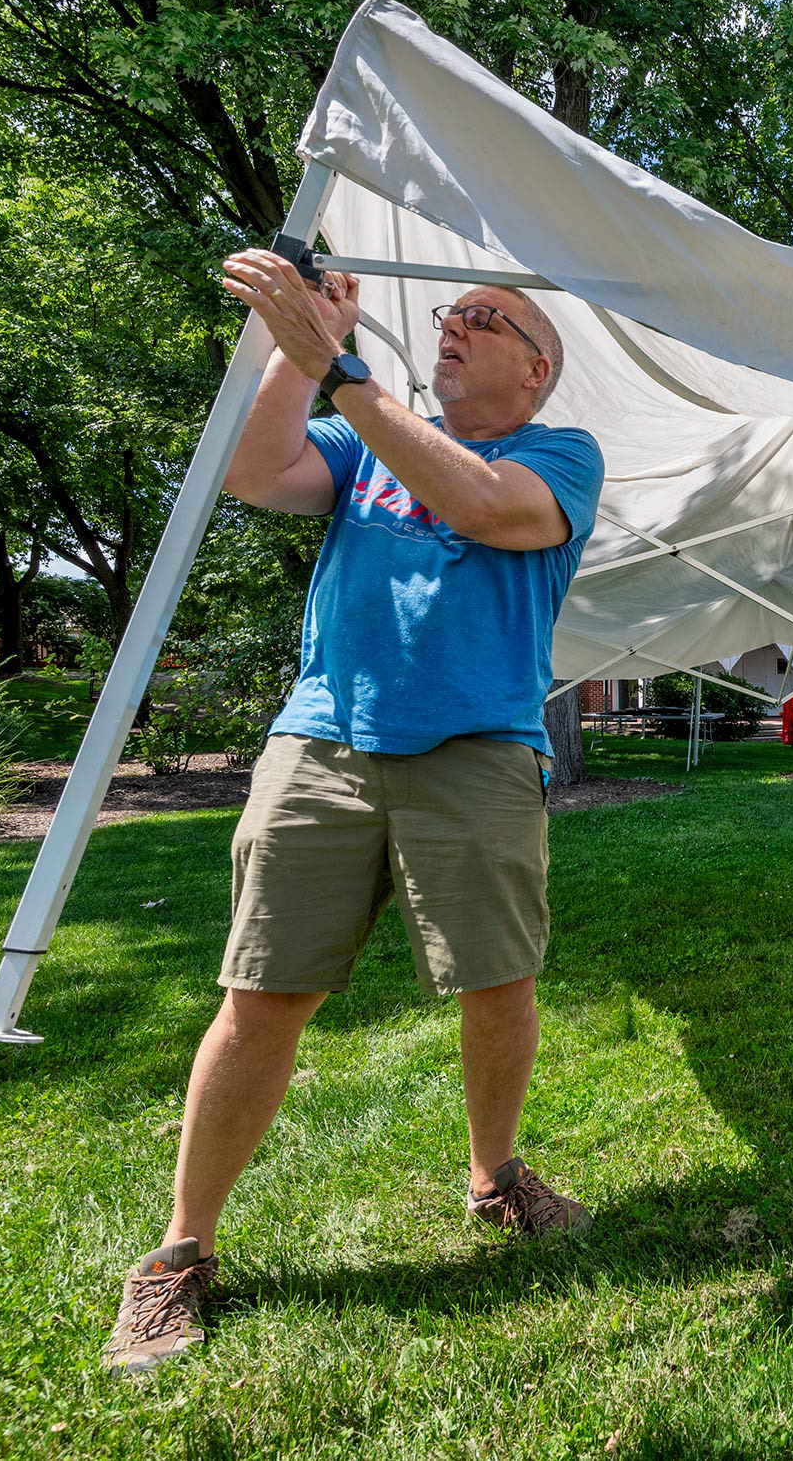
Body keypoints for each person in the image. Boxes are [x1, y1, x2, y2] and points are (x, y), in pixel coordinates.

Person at [101, 248, 605, 1375]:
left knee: (498, 985)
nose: (456, 326)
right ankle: (179, 1258)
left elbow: (479, 503)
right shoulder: (361, 431)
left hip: (479, 752)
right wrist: (298, 348)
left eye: (488, 318)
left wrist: (338, 367)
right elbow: (254, 470)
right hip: (320, 743)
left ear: (536, 371)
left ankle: (496, 1177)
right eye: (454, 313)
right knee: (262, 996)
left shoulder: (559, 455)